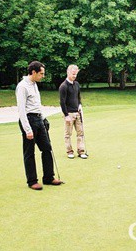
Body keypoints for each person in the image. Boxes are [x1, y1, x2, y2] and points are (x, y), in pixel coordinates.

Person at [16, 61, 63, 190]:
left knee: (47, 148)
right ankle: (32, 181)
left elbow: (37, 105)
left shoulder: (34, 85)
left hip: (38, 119)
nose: (43, 76)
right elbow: (21, 110)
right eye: (41, 73)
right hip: (29, 120)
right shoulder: (22, 86)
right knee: (29, 152)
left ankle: (48, 177)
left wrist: (43, 119)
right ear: (33, 72)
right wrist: (27, 129)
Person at [59, 64, 88, 159]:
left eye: (75, 74)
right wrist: (66, 115)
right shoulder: (63, 86)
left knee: (80, 133)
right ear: (68, 72)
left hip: (77, 112)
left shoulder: (76, 84)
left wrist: (79, 105)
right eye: (73, 74)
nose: (74, 76)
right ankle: (69, 151)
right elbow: (62, 102)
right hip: (69, 113)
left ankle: (81, 151)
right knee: (68, 134)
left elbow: (78, 97)